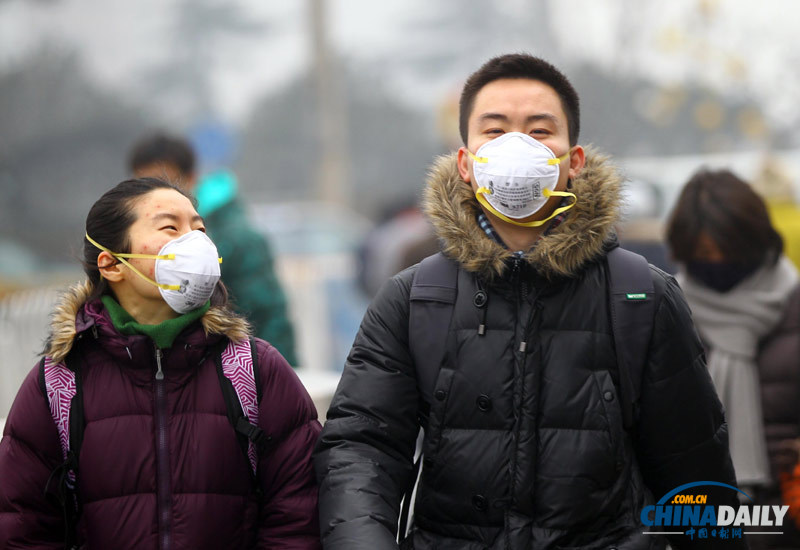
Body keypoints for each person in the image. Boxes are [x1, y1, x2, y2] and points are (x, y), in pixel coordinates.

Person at [313, 54, 742, 549]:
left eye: (539, 131)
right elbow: (362, 448)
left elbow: (695, 476)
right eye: (494, 131)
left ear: (574, 162)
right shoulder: (414, 299)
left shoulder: (641, 296)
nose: (517, 147)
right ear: (465, 163)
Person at [0, 178, 321, 549]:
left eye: (199, 229)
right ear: (111, 264)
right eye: (171, 227)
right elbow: (22, 524)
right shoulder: (61, 381)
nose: (195, 241)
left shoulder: (253, 369)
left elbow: (299, 515)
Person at [666, 168, 800, 548]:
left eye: (730, 250)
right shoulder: (668, 313)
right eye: (706, 253)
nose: (720, 260)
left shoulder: (795, 306)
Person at [129, 133, 299, 365]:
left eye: (162, 181)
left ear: (191, 179)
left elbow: (269, 318)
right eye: (141, 185)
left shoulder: (237, 238)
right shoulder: (133, 242)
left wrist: (275, 379)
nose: (151, 196)